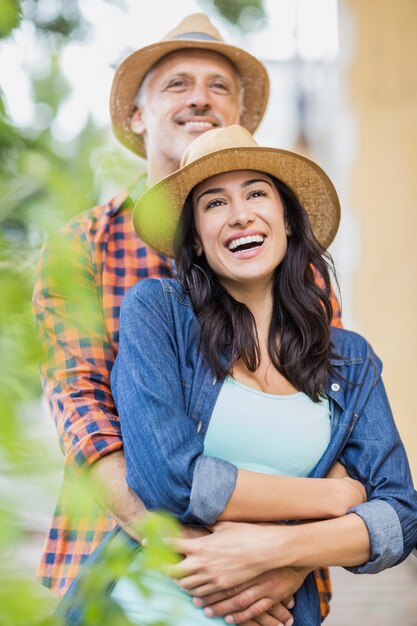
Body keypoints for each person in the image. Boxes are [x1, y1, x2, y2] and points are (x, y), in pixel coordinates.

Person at [33, 14, 340, 625]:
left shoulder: (296, 267)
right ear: (138, 116)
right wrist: (196, 561)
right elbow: (82, 406)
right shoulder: (82, 245)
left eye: (219, 86)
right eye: (177, 83)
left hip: (271, 584)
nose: (200, 96)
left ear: (240, 123)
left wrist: (283, 556)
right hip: (115, 561)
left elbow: (328, 419)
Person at [100, 125, 416, 625]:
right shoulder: (157, 313)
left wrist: (277, 550)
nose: (240, 214)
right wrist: (336, 496)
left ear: (287, 219)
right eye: (214, 203)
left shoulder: (350, 361)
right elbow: (167, 480)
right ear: (198, 241)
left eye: (255, 193)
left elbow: (399, 515)